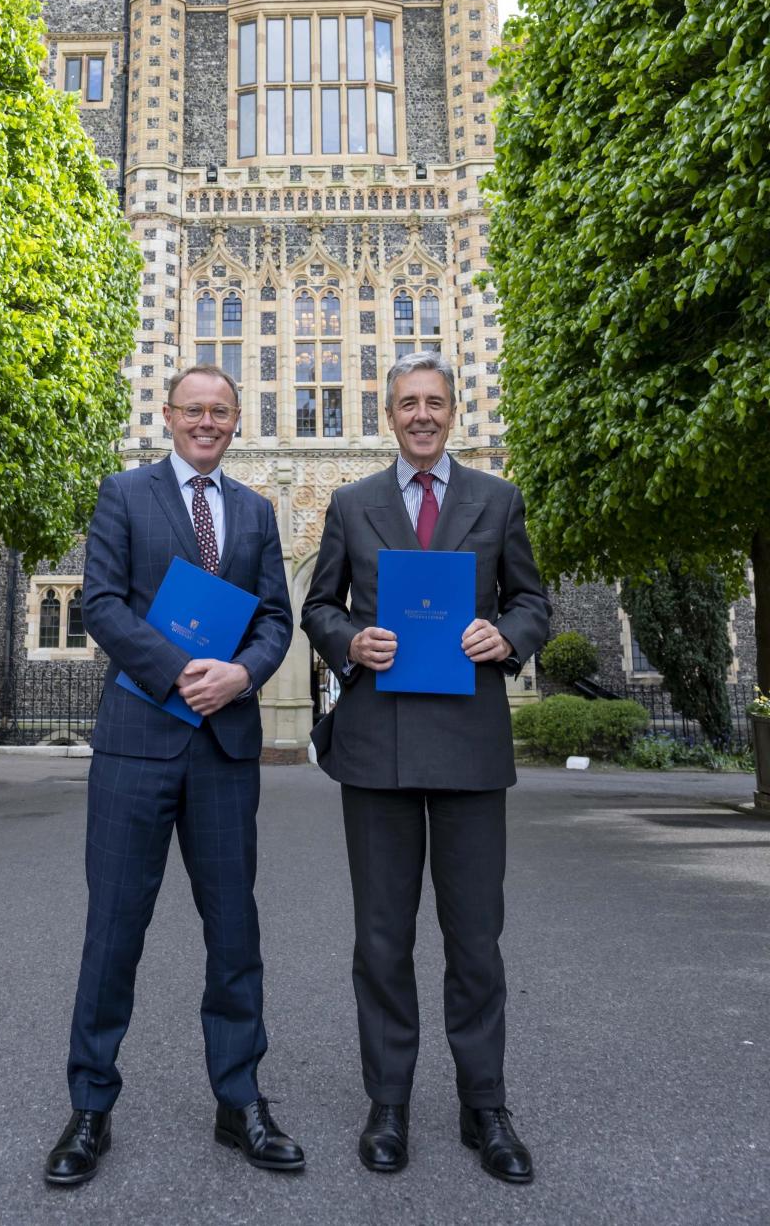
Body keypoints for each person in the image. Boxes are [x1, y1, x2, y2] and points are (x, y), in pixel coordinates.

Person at [45, 365, 304, 1187]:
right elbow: (103, 604)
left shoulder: (257, 511)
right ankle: (90, 1107)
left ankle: (240, 1102)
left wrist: (243, 675)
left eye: (220, 412)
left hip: (224, 746)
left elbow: (274, 616)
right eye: (192, 410)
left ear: (237, 422)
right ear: (168, 416)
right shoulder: (125, 494)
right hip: (138, 742)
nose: (205, 422)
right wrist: (184, 668)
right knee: (113, 930)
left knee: (235, 935)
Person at [302, 350, 549, 1186]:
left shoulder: (497, 499)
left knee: (476, 940)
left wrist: (508, 635)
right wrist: (348, 642)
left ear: (453, 411)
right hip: (378, 747)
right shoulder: (351, 504)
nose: (420, 415)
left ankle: (486, 1107)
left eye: (433, 402)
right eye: (406, 403)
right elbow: (317, 606)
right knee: (382, 940)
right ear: (389, 414)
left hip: (471, 746)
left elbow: (532, 600)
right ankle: (389, 1105)